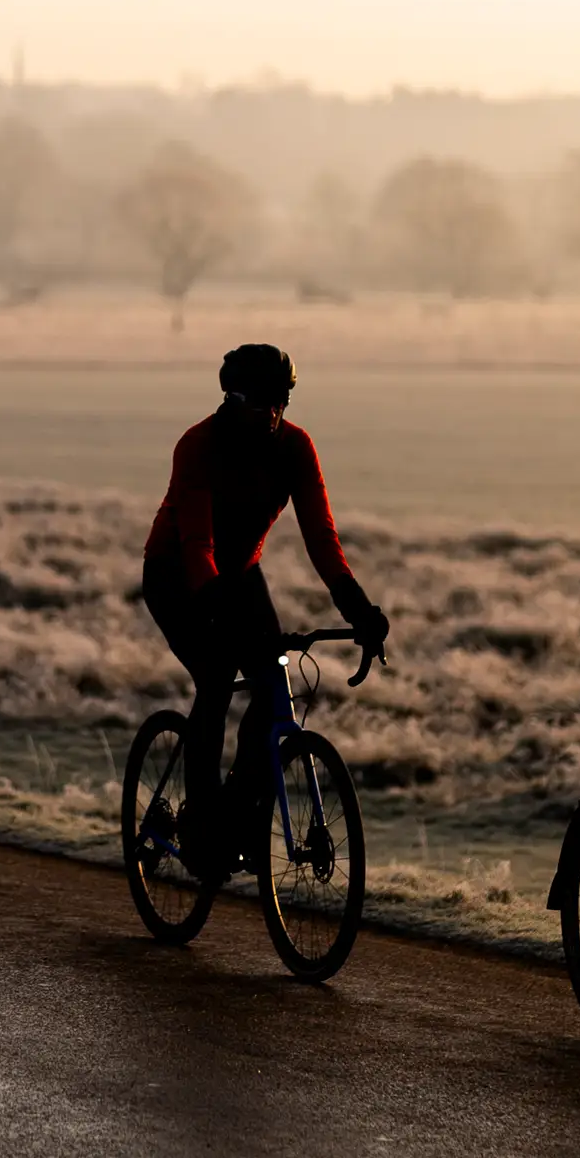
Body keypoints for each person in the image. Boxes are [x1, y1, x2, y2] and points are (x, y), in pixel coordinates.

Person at [143, 343, 390, 883]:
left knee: (273, 680)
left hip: (240, 573)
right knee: (214, 675)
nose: (273, 414)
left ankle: (239, 807)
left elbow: (322, 540)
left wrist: (360, 609)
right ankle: (204, 824)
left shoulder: (295, 448)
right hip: (177, 572)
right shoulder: (199, 445)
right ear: (232, 398)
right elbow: (196, 542)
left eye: (282, 401)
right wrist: (214, 608)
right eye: (262, 403)